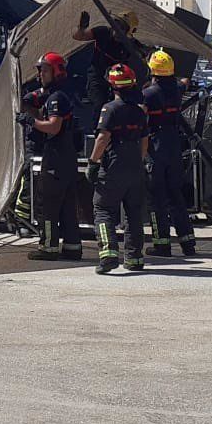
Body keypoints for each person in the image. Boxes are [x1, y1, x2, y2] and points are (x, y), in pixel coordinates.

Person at [18, 51, 82, 262]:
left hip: (56, 155)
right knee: (67, 205)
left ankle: (48, 248)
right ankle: (72, 247)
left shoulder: (56, 98)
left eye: (44, 70)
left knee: (48, 205)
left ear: (56, 72)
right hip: (67, 156)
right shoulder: (61, 94)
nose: (40, 75)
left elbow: (53, 127)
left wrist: (31, 121)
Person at [90, 63, 150, 274]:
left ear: (113, 86)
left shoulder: (109, 109)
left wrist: (93, 162)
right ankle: (134, 258)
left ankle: (108, 255)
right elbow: (144, 142)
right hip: (135, 166)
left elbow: (103, 138)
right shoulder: (139, 111)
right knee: (133, 214)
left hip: (114, 165)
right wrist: (138, 162)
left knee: (103, 209)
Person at [142, 47, 196, 257]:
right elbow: (184, 81)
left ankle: (162, 244)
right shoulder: (177, 88)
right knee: (176, 196)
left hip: (156, 145)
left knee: (157, 199)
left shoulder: (147, 93)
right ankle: (188, 242)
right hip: (174, 145)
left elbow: (141, 116)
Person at [74, 8, 145, 112]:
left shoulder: (130, 44)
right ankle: (97, 127)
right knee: (98, 106)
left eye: (122, 27)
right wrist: (82, 28)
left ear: (128, 31)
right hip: (98, 77)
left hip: (118, 80)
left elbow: (144, 56)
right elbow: (79, 37)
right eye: (116, 24)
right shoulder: (103, 32)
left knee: (121, 106)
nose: (117, 29)